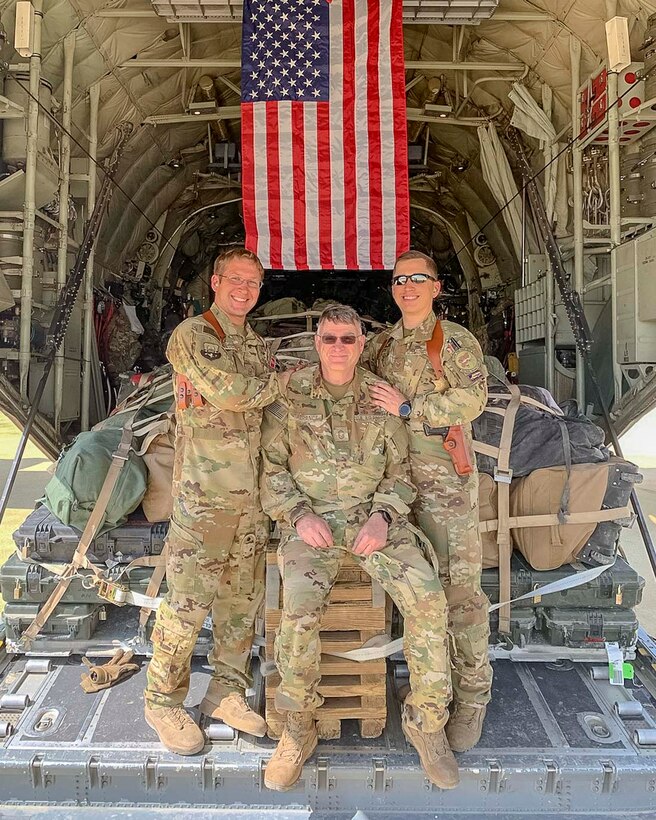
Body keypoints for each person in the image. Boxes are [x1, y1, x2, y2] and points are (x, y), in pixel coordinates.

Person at [260, 304, 459, 792]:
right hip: (312, 524)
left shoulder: (380, 398)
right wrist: (299, 515)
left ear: (361, 344)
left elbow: (401, 474)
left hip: (375, 520)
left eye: (348, 339)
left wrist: (383, 515)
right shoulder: (291, 396)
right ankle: (299, 727)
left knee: (429, 601)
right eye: (329, 339)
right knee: (298, 617)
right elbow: (271, 469)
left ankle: (427, 724)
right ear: (316, 342)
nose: (338, 348)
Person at [144, 247, 287, 754]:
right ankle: (162, 701)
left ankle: (226, 691)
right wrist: (279, 384)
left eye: (253, 283)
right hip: (204, 501)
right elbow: (228, 392)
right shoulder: (194, 335)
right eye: (236, 280)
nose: (244, 290)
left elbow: (267, 417)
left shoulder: (254, 344)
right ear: (216, 281)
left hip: (249, 503)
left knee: (239, 606)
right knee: (185, 606)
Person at [365, 249, 492, 753]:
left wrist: (409, 407)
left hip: (444, 489)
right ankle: (426, 689)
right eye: (400, 280)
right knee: (416, 597)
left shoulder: (453, 342)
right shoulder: (381, 347)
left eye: (419, 278)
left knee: (460, 596)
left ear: (436, 288)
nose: (408, 286)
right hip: (395, 485)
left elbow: (471, 399)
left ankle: (472, 699)